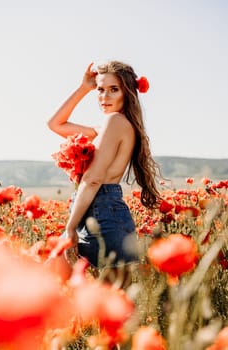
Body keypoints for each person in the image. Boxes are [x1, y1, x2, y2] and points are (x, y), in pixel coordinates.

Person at [47, 60, 160, 274]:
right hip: (104, 213)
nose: (104, 97)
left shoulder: (115, 122)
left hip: (102, 214)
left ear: (127, 93)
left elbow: (93, 180)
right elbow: (55, 124)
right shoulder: (112, 126)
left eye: (113, 90)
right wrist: (84, 88)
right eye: (100, 89)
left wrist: (70, 227)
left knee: (60, 287)